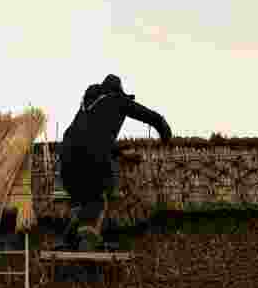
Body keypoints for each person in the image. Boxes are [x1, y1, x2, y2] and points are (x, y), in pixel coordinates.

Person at [57, 74, 172, 251]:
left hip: (66, 164)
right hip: (92, 164)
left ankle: (68, 239)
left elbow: (93, 138)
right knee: (100, 199)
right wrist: (164, 131)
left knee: (85, 201)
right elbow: (147, 115)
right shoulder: (116, 99)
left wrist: (121, 155)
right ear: (118, 90)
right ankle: (86, 243)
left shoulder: (86, 107)